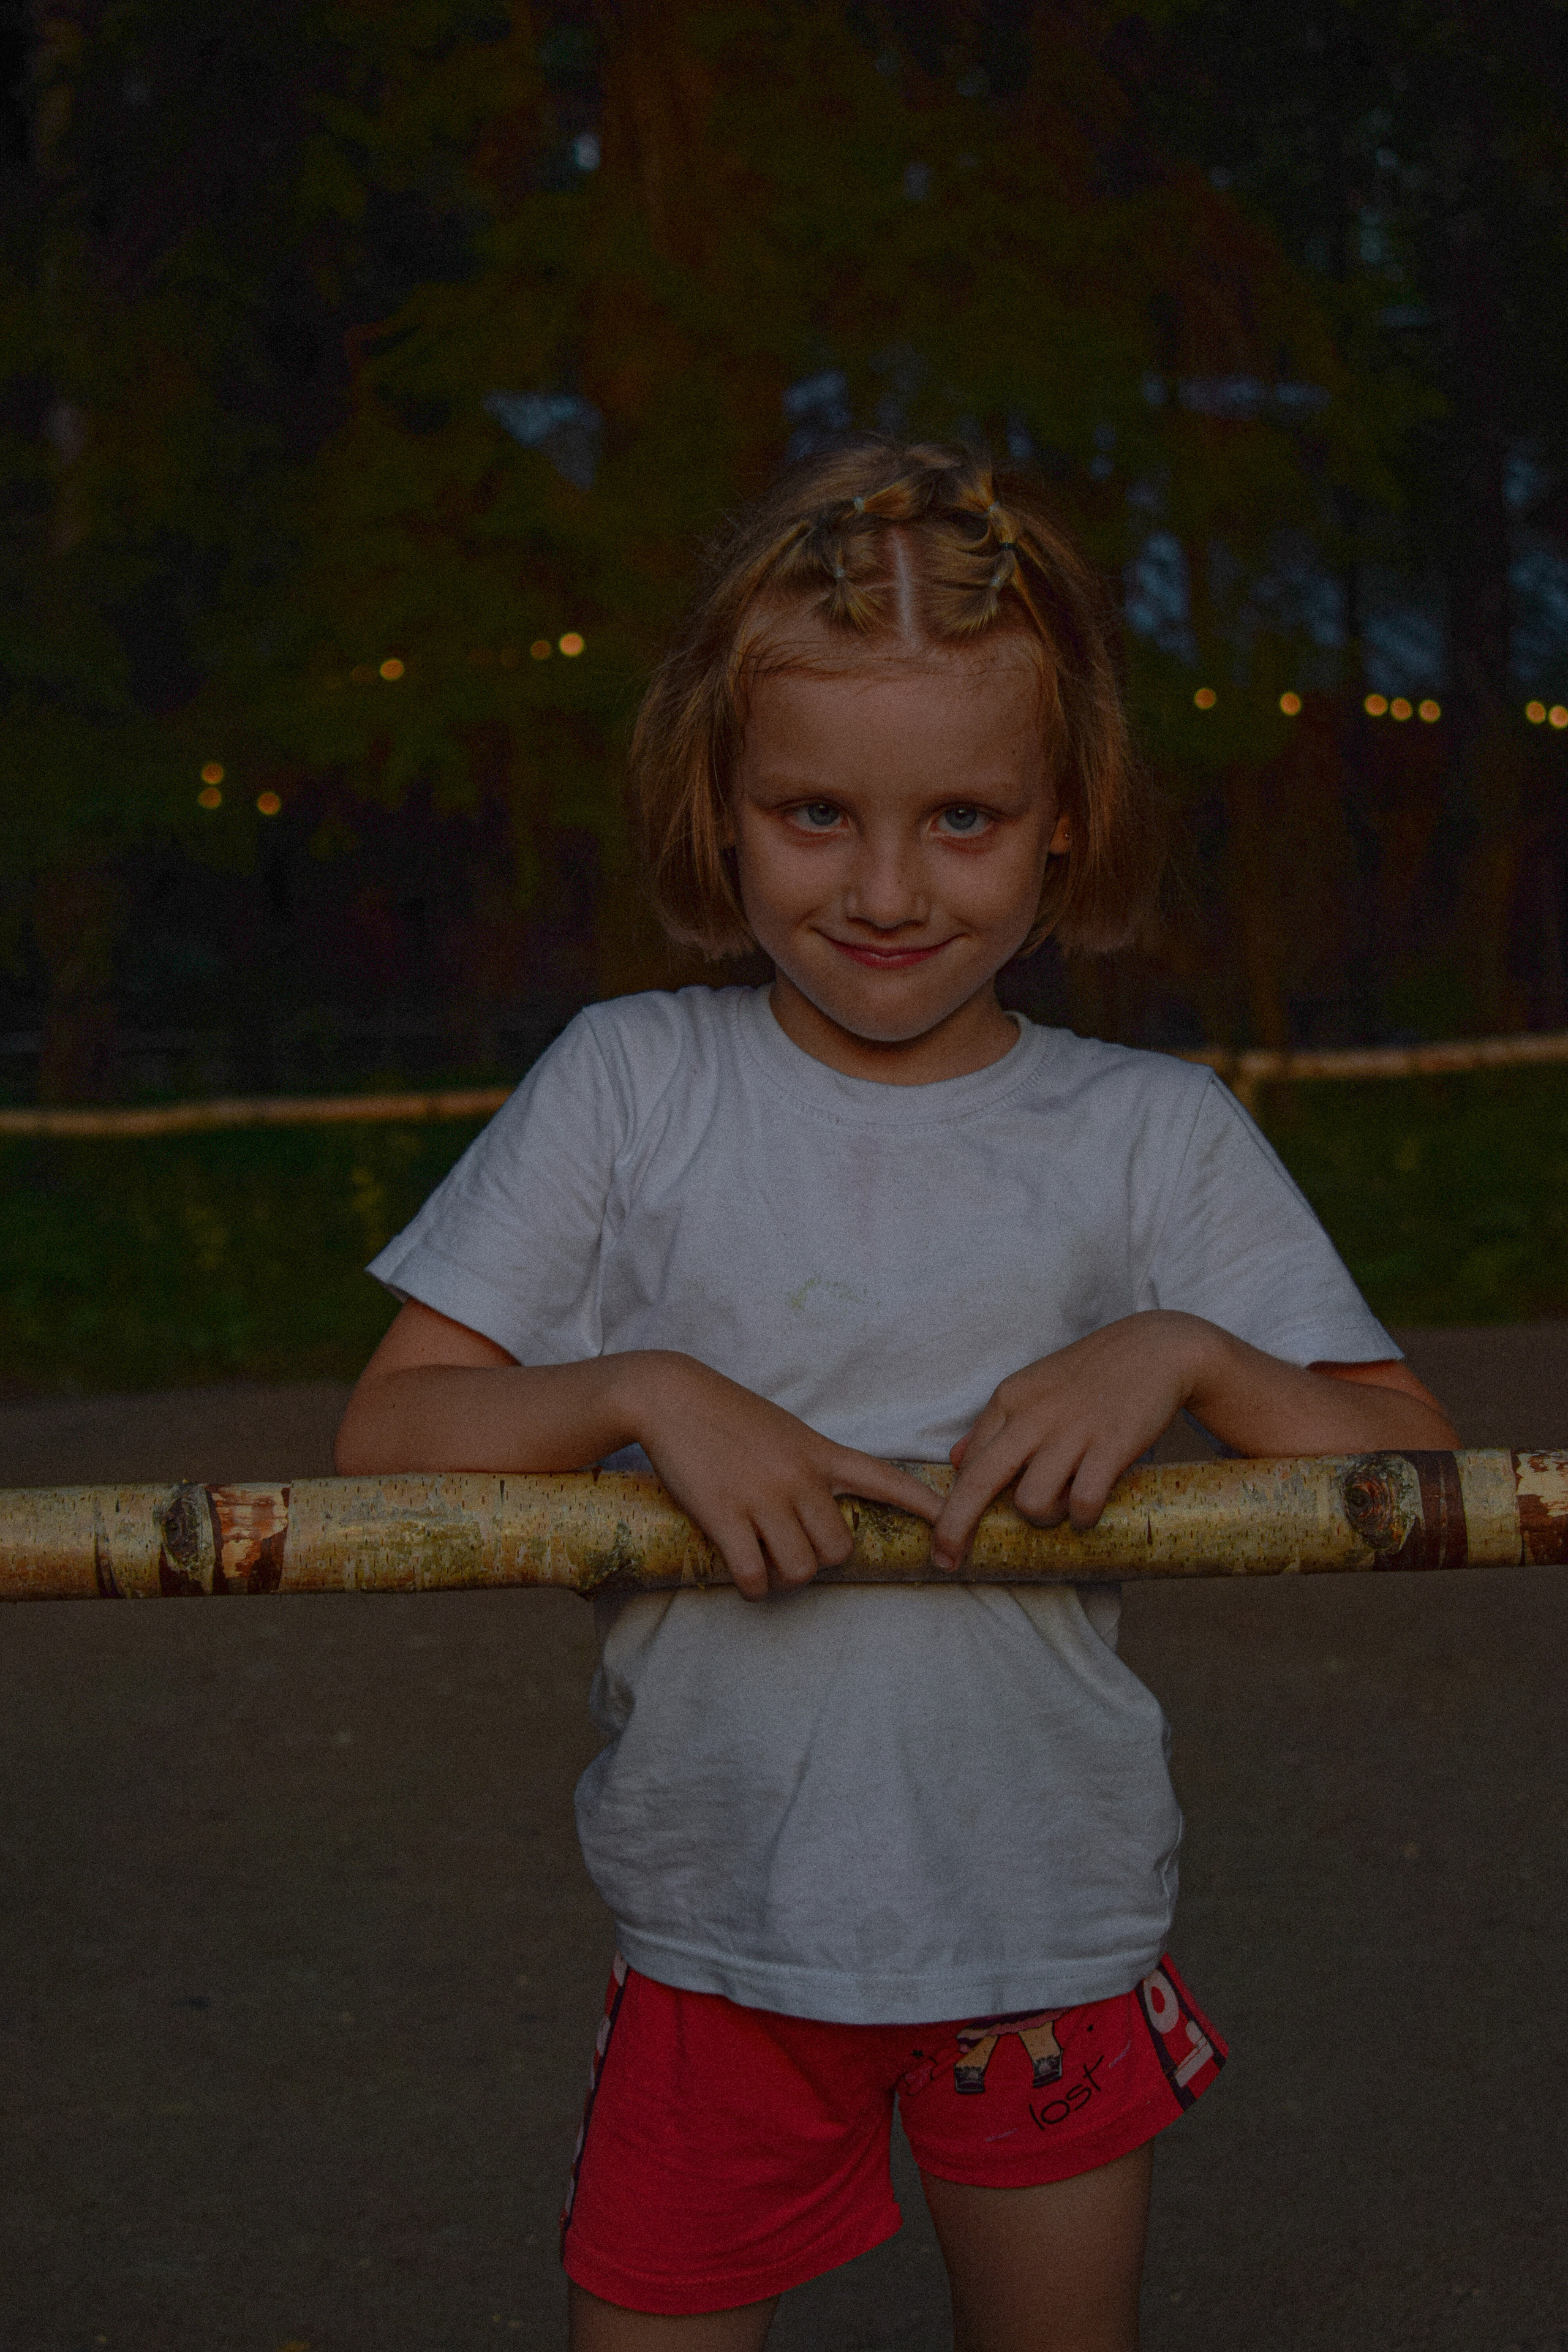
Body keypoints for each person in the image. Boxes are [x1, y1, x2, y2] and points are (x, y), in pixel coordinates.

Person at [336, 441, 1456, 2351]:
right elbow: (384, 1446)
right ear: (719, 802)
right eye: (811, 814)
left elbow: (1416, 1467)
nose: (882, 890)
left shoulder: (1149, 1136)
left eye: (960, 819)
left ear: (1064, 821)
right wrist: (641, 1387)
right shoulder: (628, 1087)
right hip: (716, 1933)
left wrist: (1183, 1351)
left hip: (1044, 1923)